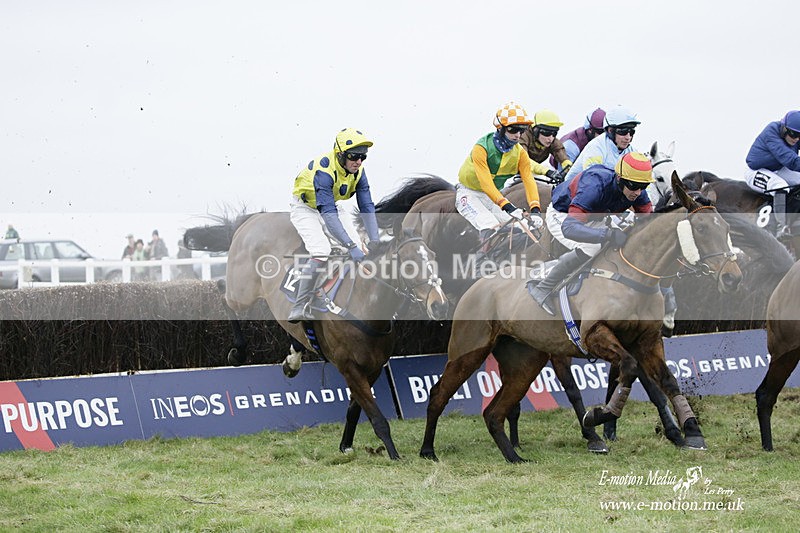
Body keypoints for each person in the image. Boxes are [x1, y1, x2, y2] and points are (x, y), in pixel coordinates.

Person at [529, 152, 654, 315]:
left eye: (642, 187)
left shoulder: (636, 191)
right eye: (632, 185)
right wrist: (607, 235)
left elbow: (648, 223)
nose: (637, 192)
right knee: (593, 246)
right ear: (619, 179)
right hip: (564, 215)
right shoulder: (594, 186)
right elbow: (570, 228)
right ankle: (542, 287)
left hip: (595, 215)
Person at [288, 128, 380, 323]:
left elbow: (367, 206)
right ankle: (300, 304)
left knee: (360, 250)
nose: (359, 162)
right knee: (322, 250)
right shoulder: (324, 172)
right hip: (305, 208)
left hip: (330, 205)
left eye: (363, 157)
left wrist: (375, 239)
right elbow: (328, 216)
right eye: (354, 156)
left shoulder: (359, 172)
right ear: (340, 155)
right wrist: (350, 246)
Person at [456, 102, 557, 257]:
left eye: (521, 130)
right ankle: (479, 263)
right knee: (490, 225)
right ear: (501, 128)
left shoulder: (520, 153)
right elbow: (486, 183)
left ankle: (501, 258)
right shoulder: (481, 148)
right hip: (469, 193)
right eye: (513, 129)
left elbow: (529, 181)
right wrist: (508, 207)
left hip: (493, 196)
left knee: (525, 227)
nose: (518, 135)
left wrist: (535, 210)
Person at [745, 110, 800, 238]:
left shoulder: (795, 137)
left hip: (778, 169)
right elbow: (791, 161)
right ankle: (781, 227)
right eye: (793, 134)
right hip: (756, 170)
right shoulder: (771, 131)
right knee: (779, 185)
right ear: (784, 129)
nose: (796, 139)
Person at [564, 105, 639, 181]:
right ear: (610, 130)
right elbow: (592, 182)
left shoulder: (632, 152)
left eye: (632, 132)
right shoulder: (596, 147)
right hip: (577, 190)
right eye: (623, 132)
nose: (628, 137)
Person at [519, 109, 571, 180]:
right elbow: (524, 161)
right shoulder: (522, 136)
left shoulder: (552, 140)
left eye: (554, 133)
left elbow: (560, 152)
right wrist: (546, 172)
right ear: (536, 130)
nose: (550, 138)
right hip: (509, 173)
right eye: (546, 133)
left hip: (527, 172)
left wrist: (567, 165)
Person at [550, 108, 606, 172]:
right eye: (601, 132)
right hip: (556, 171)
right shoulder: (571, 146)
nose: (604, 136)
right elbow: (564, 177)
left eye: (606, 131)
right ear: (590, 130)